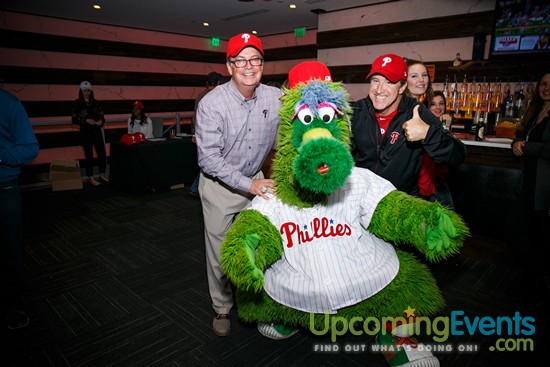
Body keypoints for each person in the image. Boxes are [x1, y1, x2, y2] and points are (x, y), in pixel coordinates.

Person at [194, 32, 281, 337]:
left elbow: (289, 136)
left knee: (259, 245)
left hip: (256, 179)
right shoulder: (212, 104)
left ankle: (258, 299)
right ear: (229, 65)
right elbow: (209, 160)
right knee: (220, 253)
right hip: (220, 187)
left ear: (262, 64)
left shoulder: (275, 97)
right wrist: (249, 185)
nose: (248, 66)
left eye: (254, 59)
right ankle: (221, 307)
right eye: (240, 60)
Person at [351, 53, 466, 198]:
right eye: (375, 80)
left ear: (402, 87)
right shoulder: (357, 111)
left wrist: (427, 134)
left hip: (400, 204)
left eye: (389, 82)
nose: (379, 89)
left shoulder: (416, 112)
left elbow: (458, 154)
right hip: (360, 200)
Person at [508, 70, 550, 300]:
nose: (546, 88)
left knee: (535, 234)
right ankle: (537, 278)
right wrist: (516, 143)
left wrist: (527, 147)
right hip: (529, 183)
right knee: (518, 229)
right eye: (543, 83)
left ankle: (538, 281)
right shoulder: (536, 112)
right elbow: (522, 136)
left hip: (546, 187)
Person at [0, 88, 39, 329]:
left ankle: (10, 301)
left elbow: (30, 147)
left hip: (3, 187)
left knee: (7, 247)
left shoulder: (9, 104)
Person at [188, 72, 223, 198]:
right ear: (218, 83)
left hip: (200, 134)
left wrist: (194, 134)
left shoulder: (200, 96)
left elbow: (194, 117)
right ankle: (197, 188)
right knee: (211, 162)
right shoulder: (215, 96)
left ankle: (196, 187)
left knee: (206, 161)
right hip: (211, 134)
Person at [71, 81, 108, 186]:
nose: (86, 93)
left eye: (88, 90)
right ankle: (90, 177)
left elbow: (102, 116)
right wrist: (85, 120)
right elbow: (74, 119)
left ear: (91, 91)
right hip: (85, 131)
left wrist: (101, 121)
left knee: (101, 153)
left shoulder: (96, 102)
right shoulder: (76, 103)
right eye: (84, 90)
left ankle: (102, 174)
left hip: (96, 130)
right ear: (81, 91)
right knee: (89, 155)